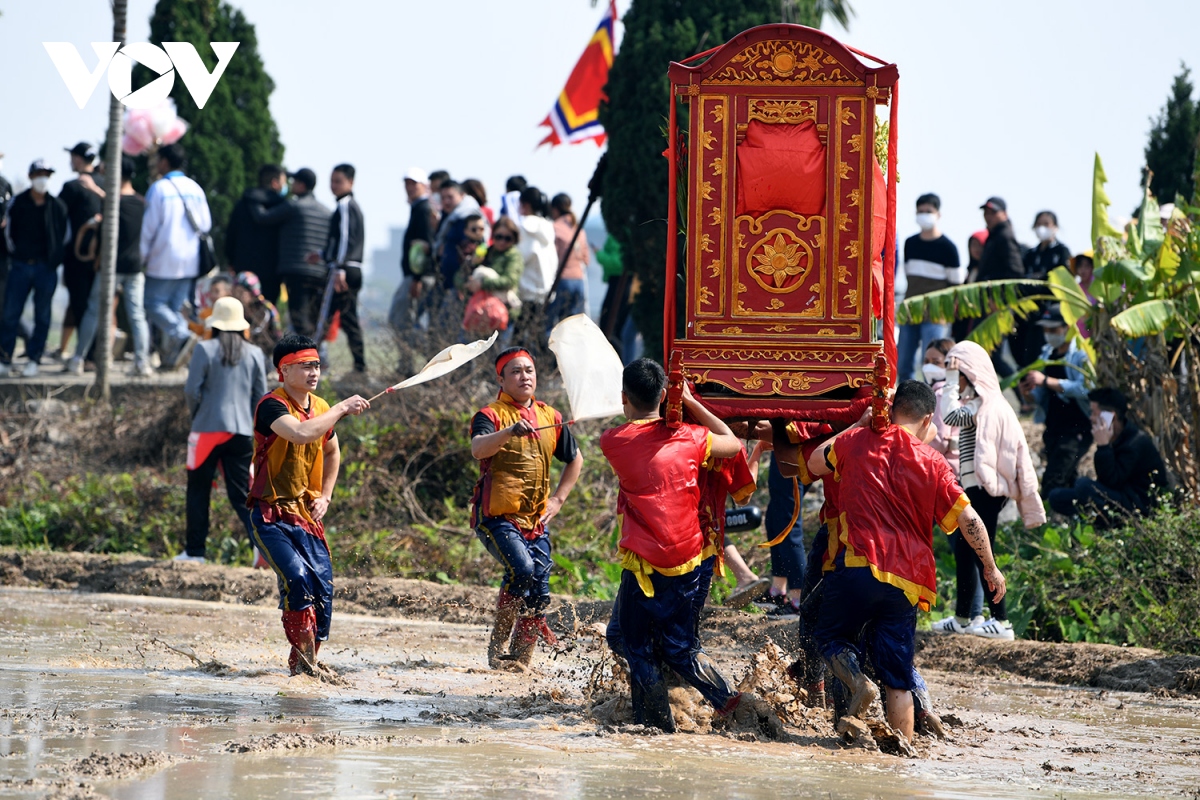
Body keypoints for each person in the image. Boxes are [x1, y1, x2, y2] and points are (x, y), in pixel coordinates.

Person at [806, 381, 1006, 747]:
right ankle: (904, 752)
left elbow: (814, 460)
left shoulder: (856, 441)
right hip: (906, 584)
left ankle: (858, 683)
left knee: (830, 636)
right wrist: (991, 568)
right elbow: (970, 520)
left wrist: (857, 426)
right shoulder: (933, 462)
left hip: (856, 566)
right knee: (898, 676)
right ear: (929, 418)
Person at [601, 360, 770, 733]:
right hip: (691, 559)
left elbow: (636, 430)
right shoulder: (693, 438)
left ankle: (657, 725)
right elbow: (731, 443)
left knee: (634, 643)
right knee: (678, 647)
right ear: (664, 396)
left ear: (625, 398)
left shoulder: (611, 441)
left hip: (645, 561)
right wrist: (691, 402)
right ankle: (731, 704)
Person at [248, 333, 370, 674]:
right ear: (282, 372)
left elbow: (332, 451)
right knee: (299, 579)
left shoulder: (320, 408)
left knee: (323, 586)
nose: (313, 372)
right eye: (304, 366)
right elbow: (300, 433)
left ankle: (307, 661)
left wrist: (326, 495)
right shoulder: (271, 405)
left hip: (307, 515)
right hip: (270, 514)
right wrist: (343, 408)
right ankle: (303, 662)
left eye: (316, 365)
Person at [470, 347, 583, 669]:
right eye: (516, 372)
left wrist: (558, 499)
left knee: (540, 592)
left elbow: (575, 459)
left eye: (529, 371)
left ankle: (520, 661)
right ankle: (498, 645)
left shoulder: (552, 416)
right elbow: (478, 450)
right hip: (496, 516)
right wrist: (508, 432)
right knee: (522, 571)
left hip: (535, 520)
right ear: (502, 379)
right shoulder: (490, 415)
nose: (524, 377)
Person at [933, 341, 1045, 640]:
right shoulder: (986, 402)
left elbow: (950, 417)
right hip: (980, 488)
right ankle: (964, 617)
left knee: (982, 554)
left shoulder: (984, 405)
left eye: (957, 370)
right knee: (968, 552)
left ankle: (1002, 621)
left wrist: (950, 382)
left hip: (984, 488)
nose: (952, 376)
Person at [180, 297, 267, 563]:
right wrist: (253, 426)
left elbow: (191, 391)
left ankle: (195, 553)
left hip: (205, 430)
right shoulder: (254, 353)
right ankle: (261, 545)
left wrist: (198, 416)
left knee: (198, 490)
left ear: (215, 322)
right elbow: (260, 396)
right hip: (241, 431)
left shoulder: (204, 350)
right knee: (241, 495)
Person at [67, 155, 151, 377]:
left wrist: (93, 188)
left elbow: (113, 203)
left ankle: (77, 359)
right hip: (135, 267)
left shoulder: (113, 203)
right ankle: (142, 363)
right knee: (137, 315)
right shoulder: (141, 203)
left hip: (112, 267)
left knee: (93, 311)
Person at [1048, 388, 1168, 525]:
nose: (1091, 418)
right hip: (1119, 496)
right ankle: (1091, 521)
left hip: (1137, 505)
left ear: (1110, 416)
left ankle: (1105, 523)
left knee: (1083, 485)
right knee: (1056, 496)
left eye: (1094, 413)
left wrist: (1103, 447)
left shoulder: (1135, 443)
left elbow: (1111, 481)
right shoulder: (1117, 438)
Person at [141, 143, 210, 371]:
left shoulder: (159, 188)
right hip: (189, 259)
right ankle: (172, 359)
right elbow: (206, 224)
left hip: (163, 258)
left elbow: (148, 228)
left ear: (164, 162)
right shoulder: (195, 188)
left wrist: (141, 256)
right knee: (175, 307)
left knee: (152, 304)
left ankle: (182, 335)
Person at [1, 159, 70, 377]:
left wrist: (53, 261)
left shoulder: (57, 206)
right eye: (39, 173)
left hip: (45, 269)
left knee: (43, 316)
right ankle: (4, 359)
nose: (43, 178)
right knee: (10, 314)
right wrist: (16, 255)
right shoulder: (18, 203)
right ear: (31, 176)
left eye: (47, 174)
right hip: (20, 266)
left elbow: (64, 237)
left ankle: (34, 359)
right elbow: (8, 233)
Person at [1020, 305, 1093, 493]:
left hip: (1077, 428)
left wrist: (1046, 380)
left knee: (1054, 479)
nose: (1049, 334)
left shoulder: (1080, 354)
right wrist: (1027, 393)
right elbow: (1040, 396)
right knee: (1068, 477)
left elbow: (1086, 388)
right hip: (1053, 426)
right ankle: (1070, 517)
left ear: (1067, 327)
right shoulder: (1047, 353)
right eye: (1046, 330)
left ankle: (1048, 518)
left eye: (1053, 330)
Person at [251, 168, 331, 339]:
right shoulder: (326, 212)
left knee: (298, 316)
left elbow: (262, 217)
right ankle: (316, 352)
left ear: (301, 185)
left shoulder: (294, 206)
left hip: (296, 270)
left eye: (294, 182)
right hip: (320, 272)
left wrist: (253, 197)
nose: (291, 185)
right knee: (314, 317)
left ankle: (306, 354)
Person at [897, 193, 962, 381]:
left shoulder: (948, 248)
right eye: (920, 211)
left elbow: (956, 286)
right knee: (904, 363)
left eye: (928, 211)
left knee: (932, 363)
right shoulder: (910, 243)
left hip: (935, 314)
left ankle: (933, 402)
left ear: (938, 214)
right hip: (910, 311)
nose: (924, 215)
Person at [56, 142, 103, 361]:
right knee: (99, 307)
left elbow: (56, 219)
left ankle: (87, 355)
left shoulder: (72, 187)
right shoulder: (107, 185)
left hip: (77, 258)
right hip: (103, 258)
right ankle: (93, 354)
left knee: (81, 305)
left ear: (78, 158)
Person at [1012, 211, 1073, 371]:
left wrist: (1040, 280)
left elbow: (1061, 278)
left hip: (1052, 313)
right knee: (1028, 357)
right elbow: (1022, 280)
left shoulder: (1061, 251)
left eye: (1046, 224)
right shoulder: (1031, 254)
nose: (1042, 228)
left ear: (1055, 227)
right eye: (1039, 224)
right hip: (1031, 313)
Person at [977, 197, 1026, 379]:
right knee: (987, 354)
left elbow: (1015, 272)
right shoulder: (996, 235)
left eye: (992, 212)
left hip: (998, 306)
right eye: (986, 212)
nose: (987, 216)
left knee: (993, 355)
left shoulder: (1004, 236)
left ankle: (1021, 394)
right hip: (991, 305)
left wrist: (999, 299)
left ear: (1004, 214)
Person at [324, 164, 366, 373]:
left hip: (345, 269)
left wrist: (338, 267)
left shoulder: (345, 205)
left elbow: (345, 239)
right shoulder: (349, 205)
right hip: (350, 268)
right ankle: (359, 365)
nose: (333, 186)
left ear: (350, 182)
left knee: (325, 315)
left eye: (338, 181)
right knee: (349, 319)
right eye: (332, 181)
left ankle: (313, 360)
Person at [225, 164, 288, 304]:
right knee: (266, 311)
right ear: (275, 183)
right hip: (272, 272)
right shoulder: (283, 208)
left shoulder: (242, 204)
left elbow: (230, 235)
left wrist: (231, 261)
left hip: (243, 269)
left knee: (241, 310)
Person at [390, 167, 435, 330]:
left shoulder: (423, 209)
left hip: (418, 277)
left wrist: (417, 277)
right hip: (415, 276)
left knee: (401, 320)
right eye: (407, 184)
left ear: (424, 186)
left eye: (414, 184)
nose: (409, 188)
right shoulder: (418, 208)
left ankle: (415, 354)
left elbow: (424, 245)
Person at [546, 193, 589, 333]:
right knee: (573, 327)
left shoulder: (555, 227)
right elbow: (586, 258)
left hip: (563, 280)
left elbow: (551, 258)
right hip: (579, 280)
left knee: (551, 326)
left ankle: (549, 355)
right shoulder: (579, 228)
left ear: (554, 209)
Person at [515, 187, 557, 317]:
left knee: (519, 333)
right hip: (546, 291)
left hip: (525, 291)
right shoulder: (548, 227)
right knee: (538, 333)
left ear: (525, 205)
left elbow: (519, 258)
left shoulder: (524, 227)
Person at [233, 271, 282, 355]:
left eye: (243, 291)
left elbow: (277, 332)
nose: (239, 295)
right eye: (237, 290)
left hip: (264, 351)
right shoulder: (233, 308)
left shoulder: (265, 309)